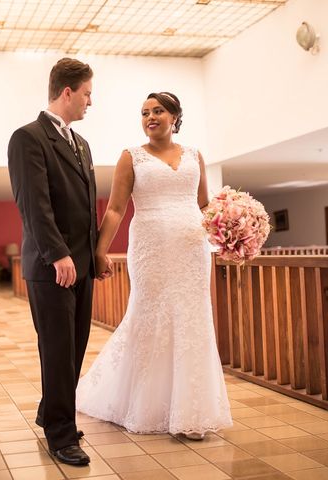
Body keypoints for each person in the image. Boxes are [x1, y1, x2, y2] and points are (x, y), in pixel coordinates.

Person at [76, 92, 233, 439]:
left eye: (158, 111)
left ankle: (191, 410)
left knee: (192, 318)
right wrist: (100, 251)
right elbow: (116, 209)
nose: (150, 117)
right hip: (150, 248)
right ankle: (142, 402)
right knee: (151, 315)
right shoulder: (130, 157)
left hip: (192, 250)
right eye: (145, 112)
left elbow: (204, 204)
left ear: (175, 116)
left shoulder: (195, 155)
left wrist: (231, 229)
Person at [7, 58, 97, 466]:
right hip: (52, 267)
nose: (89, 103)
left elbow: (85, 209)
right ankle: (60, 435)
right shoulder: (27, 138)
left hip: (81, 266)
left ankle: (50, 410)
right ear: (67, 92)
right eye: (87, 94)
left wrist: (93, 255)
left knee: (75, 349)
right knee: (58, 351)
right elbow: (34, 206)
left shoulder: (81, 144)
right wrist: (58, 253)